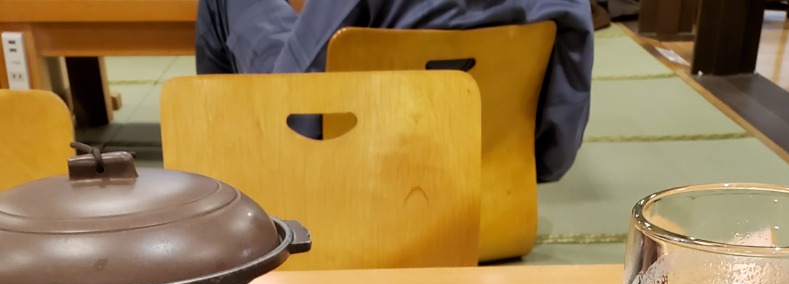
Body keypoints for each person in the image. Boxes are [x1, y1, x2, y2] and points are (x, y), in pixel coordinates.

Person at [195, 0, 594, 183]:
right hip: (487, 206)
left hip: (356, 196)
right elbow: (554, 159)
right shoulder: (570, 4)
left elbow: (291, 106)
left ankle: (216, 192)